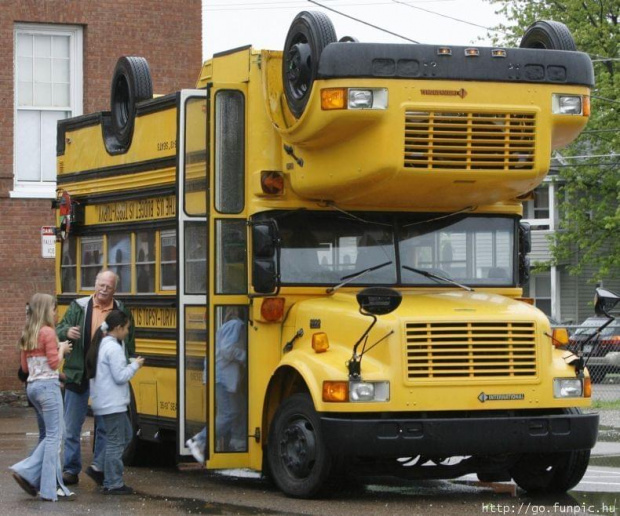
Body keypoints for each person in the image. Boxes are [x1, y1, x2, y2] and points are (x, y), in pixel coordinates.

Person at [56, 269, 135, 486]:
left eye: (108, 287)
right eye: (101, 285)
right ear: (95, 284)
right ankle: (70, 470)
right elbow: (59, 328)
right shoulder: (79, 307)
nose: (103, 289)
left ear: (114, 290)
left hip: (105, 377)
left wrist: (127, 364)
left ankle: (100, 468)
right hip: (78, 372)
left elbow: (129, 342)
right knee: (72, 426)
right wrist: (66, 333)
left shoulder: (121, 310)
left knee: (104, 427)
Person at [10, 293, 76, 501]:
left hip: (33, 388)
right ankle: (39, 481)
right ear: (45, 310)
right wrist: (62, 349)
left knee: (54, 435)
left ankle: (36, 477)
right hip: (48, 388)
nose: (56, 313)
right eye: (54, 309)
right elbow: (54, 363)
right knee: (54, 436)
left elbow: (24, 367)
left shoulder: (27, 332)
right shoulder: (48, 332)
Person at [86, 310, 144, 495]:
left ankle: (99, 467)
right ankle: (113, 482)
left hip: (106, 401)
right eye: (126, 328)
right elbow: (120, 377)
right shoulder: (114, 348)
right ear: (118, 328)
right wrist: (135, 365)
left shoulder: (103, 344)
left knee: (126, 435)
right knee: (116, 441)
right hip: (113, 403)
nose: (127, 332)